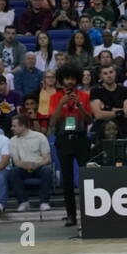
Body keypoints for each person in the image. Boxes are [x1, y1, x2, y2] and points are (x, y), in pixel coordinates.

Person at [47, 66, 94, 227]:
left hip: (81, 139)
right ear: (61, 80)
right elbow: (53, 122)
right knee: (67, 180)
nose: (70, 82)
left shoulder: (84, 96)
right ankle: (71, 216)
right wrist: (62, 103)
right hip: (63, 140)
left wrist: (79, 105)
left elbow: (89, 120)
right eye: (66, 78)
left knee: (86, 178)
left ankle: (89, 214)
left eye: (72, 78)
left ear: (77, 80)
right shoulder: (55, 97)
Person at [7, 115, 54, 212]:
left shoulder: (39, 137)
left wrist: (36, 165)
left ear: (23, 126)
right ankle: (23, 202)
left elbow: (47, 159)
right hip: (22, 167)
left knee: (47, 170)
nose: (12, 128)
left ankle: (44, 202)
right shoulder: (12, 141)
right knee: (13, 172)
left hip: (39, 166)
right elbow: (16, 162)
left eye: (14, 126)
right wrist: (26, 165)